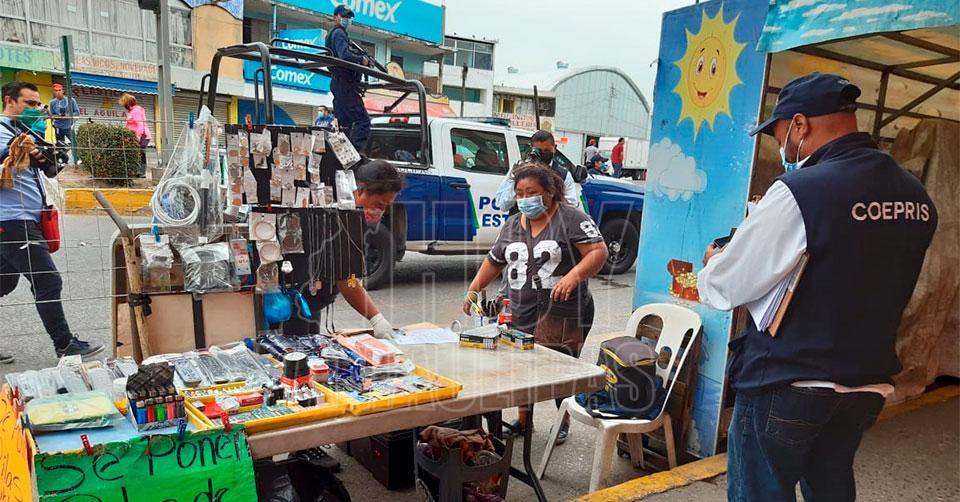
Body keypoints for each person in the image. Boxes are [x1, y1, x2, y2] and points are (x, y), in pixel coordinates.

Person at [697, 73, 937, 502]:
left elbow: (725, 287)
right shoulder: (915, 195)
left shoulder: (801, 190)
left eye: (778, 136)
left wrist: (716, 260)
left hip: (790, 381)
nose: (781, 148)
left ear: (799, 125)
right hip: (865, 384)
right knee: (831, 485)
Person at [465, 163, 608, 444]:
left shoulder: (572, 218)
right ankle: (524, 421)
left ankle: (563, 419)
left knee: (559, 368)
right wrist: (473, 289)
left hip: (563, 312)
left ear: (550, 192)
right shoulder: (512, 224)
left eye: (531, 192)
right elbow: (494, 261)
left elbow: (598, 252)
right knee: (522, 367)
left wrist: (573, 276)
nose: (524, 199)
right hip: (520, 309)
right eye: (519, 193)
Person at [0, 81, 104, 360]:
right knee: (47, 280)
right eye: (29, 103)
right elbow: (9, 158)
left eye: (38, 104)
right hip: (13, 221)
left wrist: (46, 157)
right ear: (9, 101)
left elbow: (49, 167)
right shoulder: (2, 131)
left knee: (3, 283)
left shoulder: (22, 131)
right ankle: (64, 344)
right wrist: (22, 153)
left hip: (26, 219)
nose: (36, 109)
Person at [293, 159, 402, 338]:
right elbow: (347, 281)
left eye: (385, 207)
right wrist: (376, 319)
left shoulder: (353, 219)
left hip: (314, 302)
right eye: (379, 204)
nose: (380, 211)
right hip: (295, 302)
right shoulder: (336, 217)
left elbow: (350, 276)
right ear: (360, 189)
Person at [495, 130, 581, 213]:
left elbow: (571, 207)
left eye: (547, 150)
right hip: (520, 220)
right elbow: (503, 205)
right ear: (532, 149)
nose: (543, 154)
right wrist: (517, 180)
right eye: (539, 151)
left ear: (554, 148)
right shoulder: (519, 169)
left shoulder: (563, 175)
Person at [325, 5, 371, 151]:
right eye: (344, 16)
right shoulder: (339, 33)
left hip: (339, 83)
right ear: (335, 17)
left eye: (349, 17)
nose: (347, 19)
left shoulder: (334, 34)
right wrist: (361, 59)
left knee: (344, 125)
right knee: (362, 121)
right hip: (345, 83)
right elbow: (344, 55)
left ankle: (342, 154)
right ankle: (354, 154)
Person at [119, 93, 150, 167]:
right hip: (136, 135)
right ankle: (138, 170)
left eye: (124, 104)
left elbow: (140, 125)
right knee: (138, 154)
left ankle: (141, 171)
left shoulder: (136, 111)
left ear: (128, 103)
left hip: (142, 136)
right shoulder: (133, 111)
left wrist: (137, 137)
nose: (124, 106)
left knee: (140, 154)